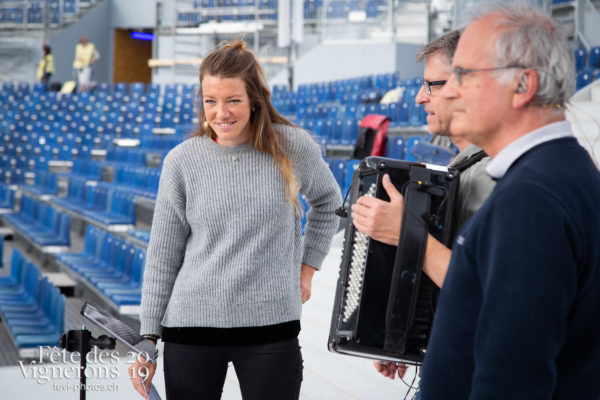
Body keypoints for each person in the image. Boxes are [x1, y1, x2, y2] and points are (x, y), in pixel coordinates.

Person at [130, 38, 342, 400]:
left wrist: (308, 267)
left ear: (254, 100)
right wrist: (147, 337)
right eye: (210, 101)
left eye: (233, 101)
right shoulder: (182, 161)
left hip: (271, 328)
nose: (221, 113)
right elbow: (163, 256)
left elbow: (329, 204)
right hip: (190, 328)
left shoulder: (292, 147)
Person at [419, 3, 600, 399]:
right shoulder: (553, 176)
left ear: (523, 85)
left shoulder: (532, 201)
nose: (449, 91)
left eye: (463, 75)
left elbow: (512, 378)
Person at [351, 29, 496, 381]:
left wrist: (405, 232)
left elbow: (486, 291)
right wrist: (406, 332)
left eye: (432, 84)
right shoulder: (464, 168)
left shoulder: (495, 173)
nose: (419, 98)